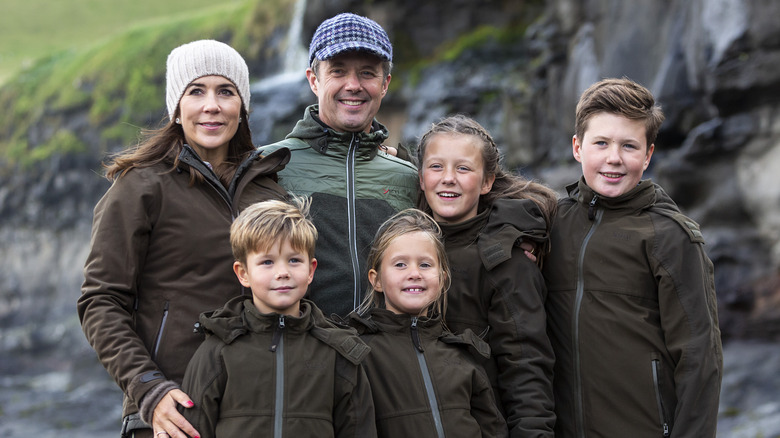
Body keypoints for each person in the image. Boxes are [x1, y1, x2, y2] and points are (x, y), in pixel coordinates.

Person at [78, 39, 291, 438]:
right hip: (175, 413)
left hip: (264, 410)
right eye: (196, 91)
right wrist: (148, 388)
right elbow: (100, 300)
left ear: (242, 107)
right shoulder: (140, 186)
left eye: (226, 91)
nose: (211, 105)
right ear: (177, 108)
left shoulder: (271, 190)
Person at [542, 78, 723, 437]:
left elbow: (700, 358)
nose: (614, 158)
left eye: (629, 145)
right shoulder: (550, 224)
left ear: (648, 154)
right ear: (578, 147)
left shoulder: (671, 236)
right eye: (601, 143)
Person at [258, 13, 419, 318]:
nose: (353, 85)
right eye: (338, 71)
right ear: (314, 80)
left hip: (385, 356)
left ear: (385, 84)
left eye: (367, 73)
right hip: (302, 354)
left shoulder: (408, 177)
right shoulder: (268, 166)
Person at [179, 198, 376, 437]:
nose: (282, 273)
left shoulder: (338, 351)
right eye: (267, 262)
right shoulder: (218, 349)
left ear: (311, 270)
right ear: (243, 274)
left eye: (294, 260)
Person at [416, 114, 558, 436]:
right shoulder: (407, 250)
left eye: (463, 168)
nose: (448, 178)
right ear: (421, 178)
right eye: (436, 167)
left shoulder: (507, 259)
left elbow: (526, 364)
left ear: (487, 182)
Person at [347, 208, 508, 437]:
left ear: (442, 279)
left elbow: (493, 429)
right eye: (400, 265)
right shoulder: (360, 355)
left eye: (425, 265)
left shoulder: (462, 356)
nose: (414, 273)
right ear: (377, 280)